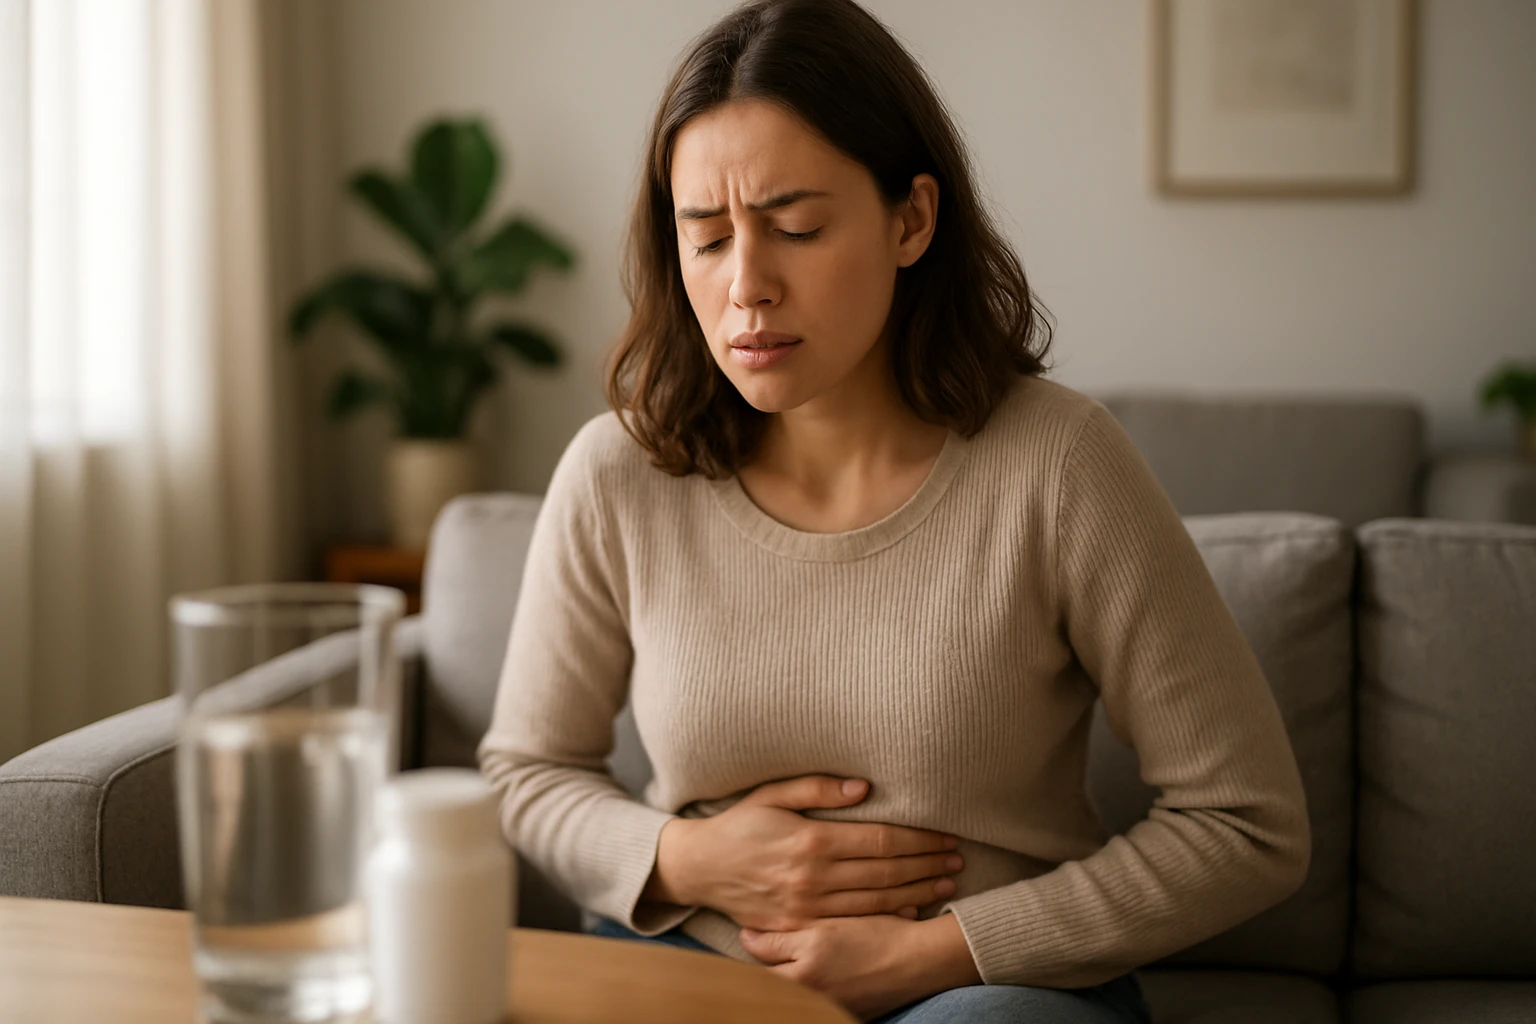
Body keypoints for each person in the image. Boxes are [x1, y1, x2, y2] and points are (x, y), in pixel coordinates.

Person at [477, 1, 1310, 1021]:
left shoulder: (1060, 465)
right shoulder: (619, 472)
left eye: (795, 227)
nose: (747, 287)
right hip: (694, 972)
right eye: (708, 238)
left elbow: (1248, 823)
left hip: (987, 997)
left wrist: (937, 953)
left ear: (911, 219)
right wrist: (688, 857)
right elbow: (525, 772)